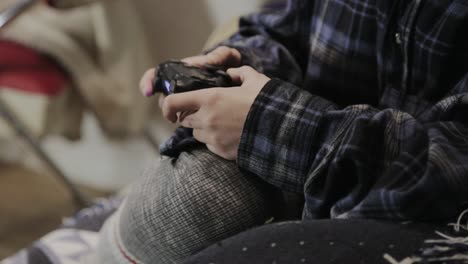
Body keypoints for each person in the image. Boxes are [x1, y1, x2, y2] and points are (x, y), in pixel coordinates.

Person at [94, 0, 468, 263]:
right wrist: (242, 64)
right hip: (315, 147)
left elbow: (451, 164)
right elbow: (285, 25)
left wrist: (269, 125)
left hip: (435, 217)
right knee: (195, 191)